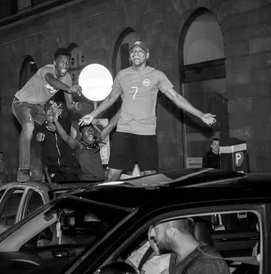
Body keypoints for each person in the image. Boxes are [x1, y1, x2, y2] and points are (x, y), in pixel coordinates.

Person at [79, 40, 216, 181]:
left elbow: (176, 98)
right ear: (130, 56)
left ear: (147, 55)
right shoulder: (122, 75)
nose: (136, 54)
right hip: (124, 130)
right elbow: (111, 98)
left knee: (149, 177)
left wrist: (200, 114)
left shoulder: (157, 75)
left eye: (140, 51)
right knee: (112, 175)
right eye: (133, 51)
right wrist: (92, 114)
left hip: (146, 132)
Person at [12, 47, 83, 182]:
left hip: (38, 109)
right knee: (28, 126)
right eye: (61, 62)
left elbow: (69, 104)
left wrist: (75, 106)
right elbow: (51, 80)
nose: (65, 65)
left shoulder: (67, 78)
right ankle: (23, 170)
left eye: (67, 62)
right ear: (54, 63)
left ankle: (54, 165)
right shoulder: (46, 70)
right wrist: (69, 88)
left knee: (60, 125)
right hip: (21, 103)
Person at [148, 218, 230, 274]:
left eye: (156, 230)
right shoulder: (176, 255)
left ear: (171, 232)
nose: (152, 234)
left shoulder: (206, 264)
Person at [53, 105, 119, 180]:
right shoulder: (79, 146)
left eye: (91, 129)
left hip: (100, 182)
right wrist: (56, 121)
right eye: (86, 130)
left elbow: (111, 125)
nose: (90, 131)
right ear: (81, 135)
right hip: (87, 184)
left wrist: (123, 109)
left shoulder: (96, 140)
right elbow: (66, 138)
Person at [34, 100, 79, 182]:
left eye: (53, 109)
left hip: (69, 167)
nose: (51, 112)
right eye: (48, 110)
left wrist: (56, 127)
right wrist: (39, 137)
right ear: (44, 112)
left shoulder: (65, 124)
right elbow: (38, 138)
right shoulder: (40, 128)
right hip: (52, 168)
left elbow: (68, 137)